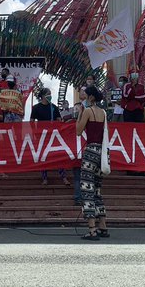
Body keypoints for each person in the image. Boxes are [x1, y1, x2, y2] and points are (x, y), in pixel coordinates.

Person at [75, 85, 110, 240]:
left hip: (90, 152)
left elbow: (78, 131)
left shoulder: (88, 111)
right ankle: (103, 226)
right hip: (101, 152)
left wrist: (79, 115)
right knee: (97, 190)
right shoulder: (103, 112)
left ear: (90, 97)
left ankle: (92, 229)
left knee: (87, 189)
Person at [31, 89, 69, 187]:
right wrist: (36, 132)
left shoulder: (54, 108)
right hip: (42, 136)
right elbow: (31, 122)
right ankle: (44, 178)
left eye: (50, 94)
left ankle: (64, 177)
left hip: (53, 136)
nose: (50, 96)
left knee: (59, 156)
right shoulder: (36, 108)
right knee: (43, 157)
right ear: (43, 96)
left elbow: (59, 120)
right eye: (48, 94)